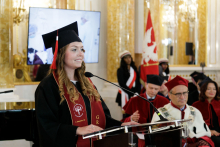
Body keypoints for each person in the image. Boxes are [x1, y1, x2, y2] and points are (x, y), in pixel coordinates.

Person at [35, 22, 137, 147]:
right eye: (74, 49)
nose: (81, 53)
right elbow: (46, 125)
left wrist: (121, 125)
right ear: (60, 54)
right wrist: (77, 130)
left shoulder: (87, 83)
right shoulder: (48, 86)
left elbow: (102, 118)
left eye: (82, 49)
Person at [151, 75, 214, 147]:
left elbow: (204, 134)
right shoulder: (161, 113)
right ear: (169, 95)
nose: (182, 97)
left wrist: (203, 141)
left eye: (185, 93)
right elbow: (157, 139)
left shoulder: (195, 111)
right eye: (178, 94)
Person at [122, 74, 170, 147]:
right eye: (151, 88)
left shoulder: (164, 101)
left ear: (160, 88)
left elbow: (169, 121)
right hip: (137, 139)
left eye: (156, 89)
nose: (153, 91)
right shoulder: (134, 100)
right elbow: (122, 122)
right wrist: (131, 118)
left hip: (159, 139)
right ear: (146, 84)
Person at [192, 78, 220, 146]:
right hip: (204, 133)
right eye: (208, 89)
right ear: (203, 90)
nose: (212, 91)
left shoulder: (219, 103)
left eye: (214, 89)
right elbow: (193, 123)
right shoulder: (196, 105)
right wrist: (208, 131)